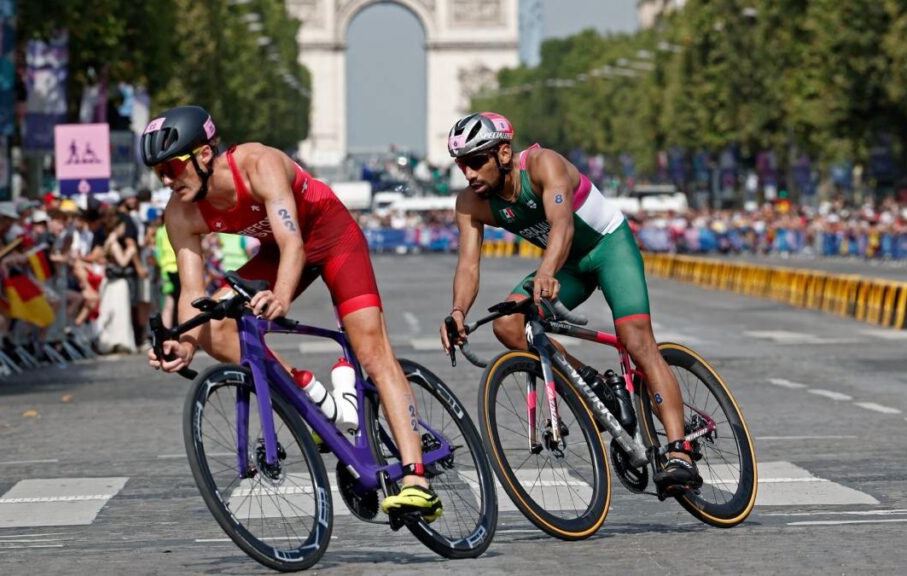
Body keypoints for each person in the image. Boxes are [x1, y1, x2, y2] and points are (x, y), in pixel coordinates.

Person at [142, 105, 442, 521]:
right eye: (158, 173)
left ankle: (416, 481)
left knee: (371, 350)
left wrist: (281, 296)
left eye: (172, 168)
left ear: (204, 154)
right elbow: (192, 295)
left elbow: (292, 242)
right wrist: (185, 343)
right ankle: (308, 400)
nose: (167, 181)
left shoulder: (259, 163)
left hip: (331, 240)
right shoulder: (180, 212)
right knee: (211, 323)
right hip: (275, 254)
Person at [440, 112, 702, 493]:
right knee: (509, 323)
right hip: (568, 265)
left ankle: (681, 452)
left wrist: (546, 271)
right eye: (461, 164)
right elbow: (468, 264)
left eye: (476, 161)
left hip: (608, 248)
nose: (468, 173)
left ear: (503, 153)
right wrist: (458, 312)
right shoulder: (470, 202)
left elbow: (562, 225)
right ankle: (595, 385)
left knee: (636, 340)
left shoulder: (544, 164)